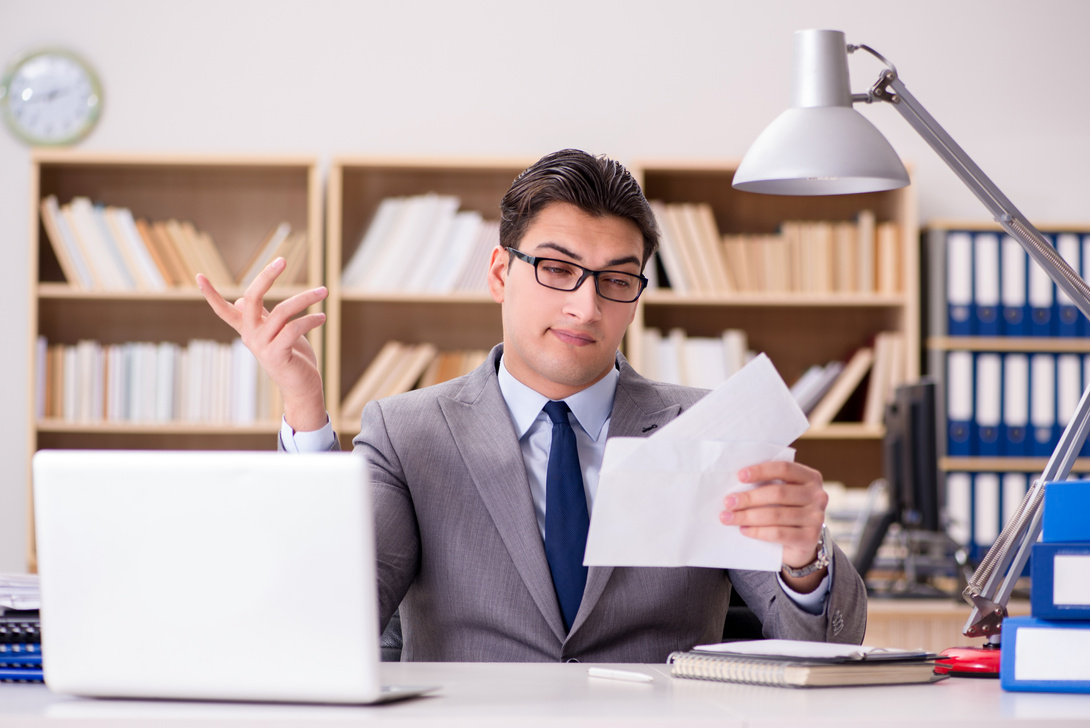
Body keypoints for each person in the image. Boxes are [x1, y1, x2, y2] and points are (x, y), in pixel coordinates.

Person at [198, 149, 867, 662]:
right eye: (556, 267)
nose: (586, 304)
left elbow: (827, 646)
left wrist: (803, 560)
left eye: (617, 279)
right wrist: (306, 412)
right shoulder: (407, 433)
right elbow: (331, 612)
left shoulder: (708, 431)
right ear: (499, 273)